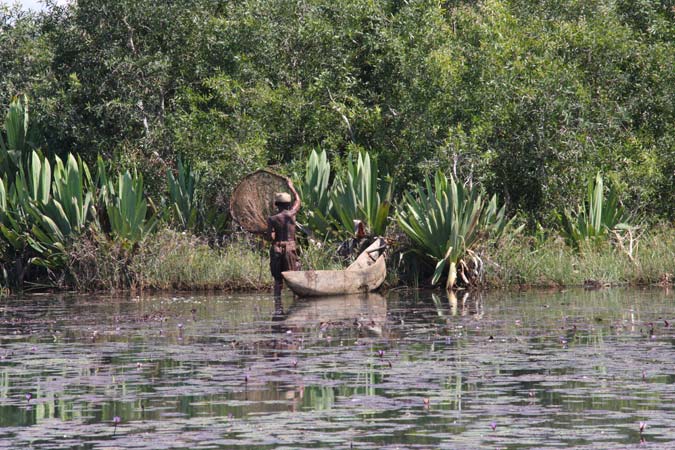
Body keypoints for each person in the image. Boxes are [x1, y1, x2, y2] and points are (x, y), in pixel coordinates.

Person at [267, 182, 301, 297]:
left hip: (277, 247)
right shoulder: (292, 214)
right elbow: (298, 200)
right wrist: (291, 187)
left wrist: (268, 234)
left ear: (277, 205)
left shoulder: (272, 219)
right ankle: (296, 300)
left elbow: (270, 237)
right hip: (290, 247)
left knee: (277, 280)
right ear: (288, 205)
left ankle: (278, 305)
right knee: (294, 278)